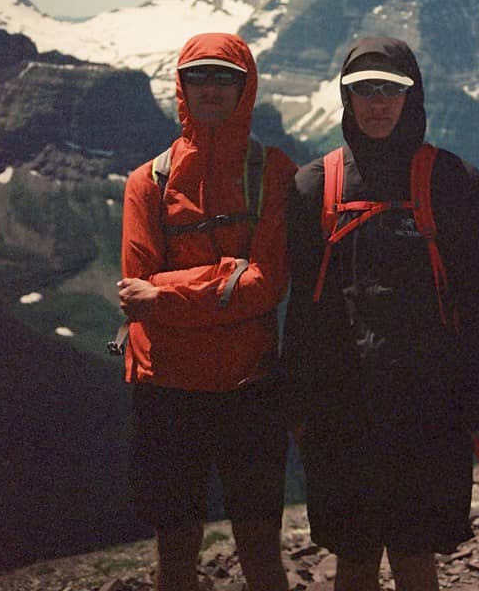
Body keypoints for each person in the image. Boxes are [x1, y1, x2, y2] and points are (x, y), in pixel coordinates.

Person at [282, 36, 479, 591]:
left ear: (412, 95)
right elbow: (302, 308)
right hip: (341, 409)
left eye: (391, 88)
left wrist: (475, 396)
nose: (377, 102)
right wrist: (297, 400)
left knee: (412, 551)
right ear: (346, 96)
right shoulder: (311, 188)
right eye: (364, 89)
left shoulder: (455, 184)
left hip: (428, 409)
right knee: (356, 554)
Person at [118, 32, 296, 591]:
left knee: (261, 551)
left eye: (225, 77)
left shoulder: (274, 172)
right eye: (198, 76)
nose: (211, 88)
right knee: (175, 555)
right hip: (168, 389)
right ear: (182, 86)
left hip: (249, 386)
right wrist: (231, 277)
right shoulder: (147, 182)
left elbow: (269, 285)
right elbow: (135, 293)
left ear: (246, 87)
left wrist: (167, 296)